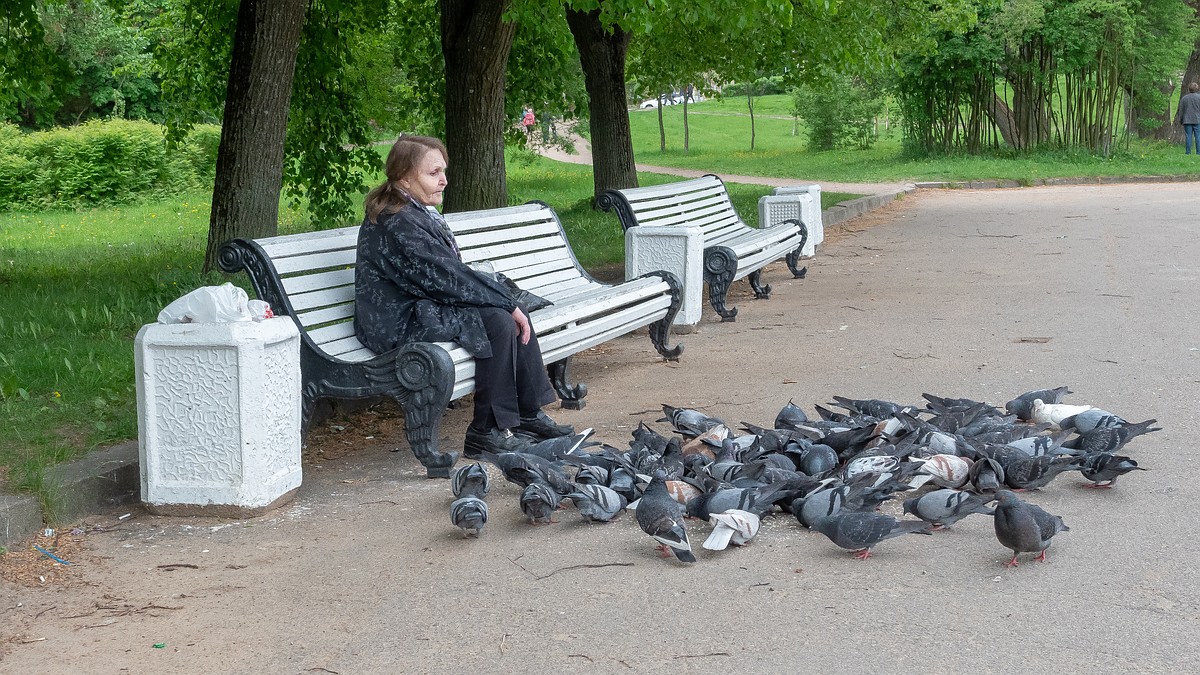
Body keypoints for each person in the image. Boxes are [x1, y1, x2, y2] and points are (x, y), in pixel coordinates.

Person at [354, 135, 573, 459]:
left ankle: (527, 414)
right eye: (433, 173)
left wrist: (505, 300)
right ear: (405, 177)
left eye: (443, 170)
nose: (444, 179)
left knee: (508, 311)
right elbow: (444, 277)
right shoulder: (397, 220)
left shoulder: (413, 209)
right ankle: (485, 432)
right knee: (498, 320)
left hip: (422, 301)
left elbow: (443, 276)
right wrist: (503, 301)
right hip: (396, 319)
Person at [1176, 82, 1200, 155]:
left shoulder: (1184, 98)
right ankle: (1198, 152)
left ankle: (1188, 152)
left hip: (1187, 120)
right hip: (1197, 119)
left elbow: (1181, 110)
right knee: (1198, 136)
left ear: (1189, 89)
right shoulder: (1199, 98)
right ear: (1197, 89)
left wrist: (1180, 120)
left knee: (1188, 136)